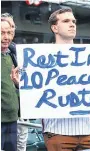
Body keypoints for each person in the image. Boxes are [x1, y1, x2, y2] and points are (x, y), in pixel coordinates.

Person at [42, 8, 90, 151]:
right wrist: (21, 84)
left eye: (74, 21)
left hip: (89, 130)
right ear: (54, 27)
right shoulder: (41, 57)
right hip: (58, 131)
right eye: (66, 21)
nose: (72, 24)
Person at [2, 12, 29, 151]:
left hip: (17, 113)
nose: (7, 36)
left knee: (18, 146)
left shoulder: (16, 52)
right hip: (4, 115)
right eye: (2, 32)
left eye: (11, 29)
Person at [1, 18, 19, 151]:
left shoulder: (13, 56)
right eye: (2, 33)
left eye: (9, 33)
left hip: (12, 118)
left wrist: (18, 84)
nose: (6, 37)